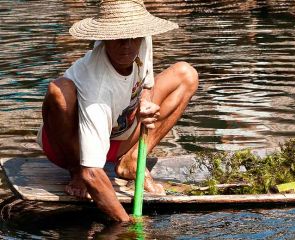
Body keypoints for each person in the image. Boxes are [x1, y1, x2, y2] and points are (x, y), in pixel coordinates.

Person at [36, 0, 198, 222]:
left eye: (133, 37)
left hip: (118, 134)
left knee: (186, 75)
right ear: (105, 37)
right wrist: (127, 226)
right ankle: (74, 169)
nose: (127, 45)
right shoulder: (98, 87)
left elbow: (147, 84)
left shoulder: (142, 38)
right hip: (69, 145)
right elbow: (92, 173)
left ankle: (130, 160)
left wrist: (145, 102)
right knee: (59, 90)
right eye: (119, 38)